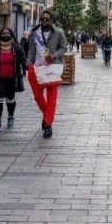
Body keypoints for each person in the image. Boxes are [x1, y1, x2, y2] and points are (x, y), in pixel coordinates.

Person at [27, 10, 68, 138]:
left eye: (47, 19)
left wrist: (55, 55)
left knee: (51, 98)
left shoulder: (58, 33)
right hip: (37, 68)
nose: (45, 21)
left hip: (52, 68)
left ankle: (48, 125)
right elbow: (31, 50)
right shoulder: (34, 32)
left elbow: (64, 47)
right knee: (38, 97)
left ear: (51, 20)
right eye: (42, 19)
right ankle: (47, 115)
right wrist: (28, 63)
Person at [0, 27, 27, 134]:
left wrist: (34, 70)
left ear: (11, 34)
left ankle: (10, 115)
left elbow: (24, 62)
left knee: (10, 99)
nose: (5, 34)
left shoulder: (17, 47)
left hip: (12, 79)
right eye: (3, 33)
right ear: (0, 35)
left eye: (8, 33)